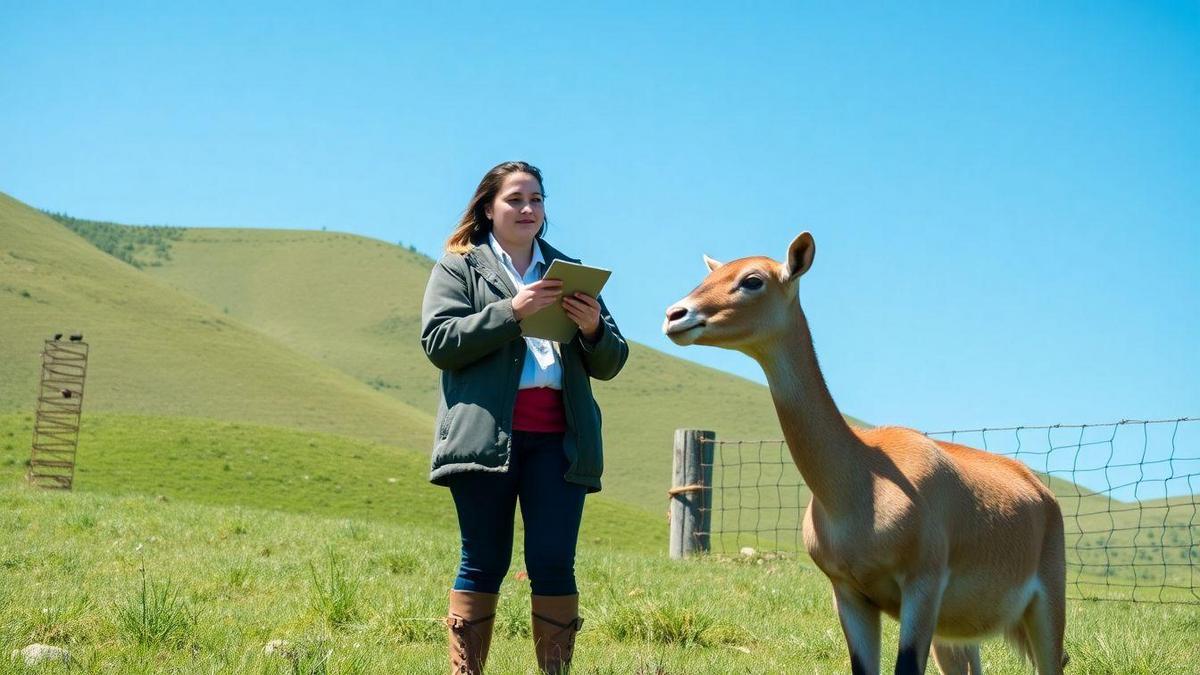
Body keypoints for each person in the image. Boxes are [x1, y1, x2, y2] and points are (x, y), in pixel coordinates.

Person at [420, 161, 628, 674]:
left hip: (560, 443)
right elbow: (439, 342)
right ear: (488, 208)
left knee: (554, 562)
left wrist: (594, 329)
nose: (528, 208)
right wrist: (512, 311)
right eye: (515, 199)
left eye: (536, 199)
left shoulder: (570, 271)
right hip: (485, 440)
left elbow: (612, 362)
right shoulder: (459, 268)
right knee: (483, 561)